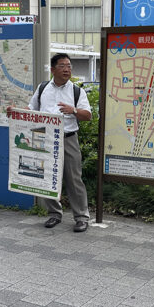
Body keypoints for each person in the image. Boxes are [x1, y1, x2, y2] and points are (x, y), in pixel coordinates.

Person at [8, 53, 92, 233]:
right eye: (62, 66)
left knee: (74, 180)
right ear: (53, 69)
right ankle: (54, 213)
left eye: (69, 66)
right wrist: (14, 112)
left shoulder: (77, 91)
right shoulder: (43, 88)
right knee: (45, 177)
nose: (67, 69)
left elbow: (88, 115)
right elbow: (31, 110)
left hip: (68, 139)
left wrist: (73, 110)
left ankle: (81, 217)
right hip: (44, 140)